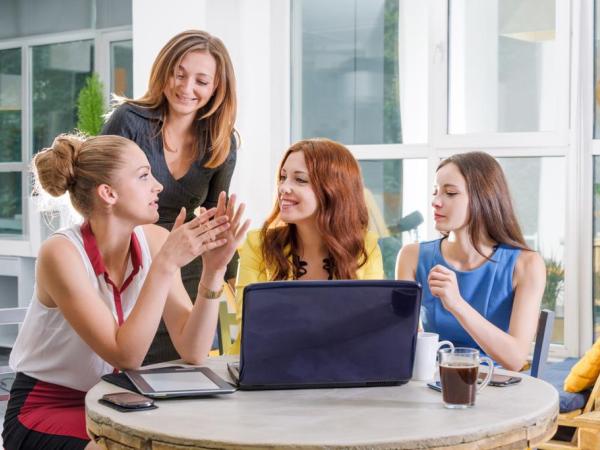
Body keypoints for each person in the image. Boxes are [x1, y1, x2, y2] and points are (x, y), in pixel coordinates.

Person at [2, 134, 249, 450]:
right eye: (144, 176)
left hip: (114, 401)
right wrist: (165, 265)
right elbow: (126, 355)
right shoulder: (60, 254)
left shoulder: (155, 240)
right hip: (46, 406)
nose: (158, 186)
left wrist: (214, 271)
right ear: (108, 193)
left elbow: (193, 350)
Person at [101, 30, 239, 364]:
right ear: (165, 71)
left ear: (217, 88)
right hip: (126, 258)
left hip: (186, 263)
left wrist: (226, 279)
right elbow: (98, 198)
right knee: (129, 363)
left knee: (183, 364)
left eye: (201, 81)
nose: (186, 87)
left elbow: (212, 217)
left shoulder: (222, 142)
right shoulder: (129, 121)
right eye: (179, 74)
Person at [229, 138, 385, 354]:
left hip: (340, 371)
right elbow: (251, 324)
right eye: (283, 177)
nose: (284, 187)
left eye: (300, 180)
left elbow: (371, 325)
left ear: (334, 190)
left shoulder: (366, 246)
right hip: (266, 369)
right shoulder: (258, 243)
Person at [395, 151, 546, 371]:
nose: (436, 202)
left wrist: (456, 303)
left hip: (495, 389)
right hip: (431, 384)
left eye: (450, 193)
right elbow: (403, 339)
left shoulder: (527, 265)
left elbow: (515, 359)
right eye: (435, 192)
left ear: (483, 197)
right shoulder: (411, 256)